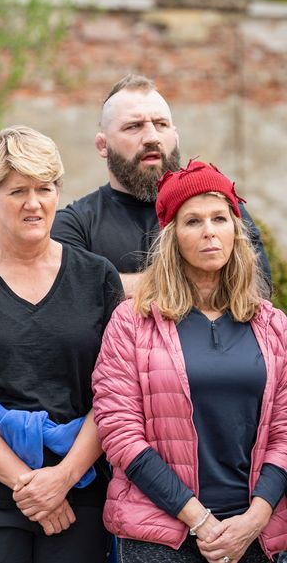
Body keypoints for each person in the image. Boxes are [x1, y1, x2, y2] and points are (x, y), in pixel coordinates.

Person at [0, 126, 122, 563]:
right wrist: (28, 485)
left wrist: (62, 480)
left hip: (81, 488)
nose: (33, 203)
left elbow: (114, 396)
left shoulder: (98, 276)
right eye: (17, 191)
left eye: (44, 189)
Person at [92, 161, 287, 563]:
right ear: (172, 237)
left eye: (219, 218)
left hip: (256, 536)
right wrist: (200, 520)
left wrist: (254, 518)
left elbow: (285, 432)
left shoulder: (272, 325)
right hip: (162, 537)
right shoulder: (132, 321)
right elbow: (119, 430)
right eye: (193, 221)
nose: (209, 231)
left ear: (236, 229)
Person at [52, 74, 270, 297]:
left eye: (161, 124)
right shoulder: (75, 225)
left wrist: (114, 283)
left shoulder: (220, 209)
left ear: (175, 137)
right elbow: (69, 294)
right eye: (133, 126)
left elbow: (255, 289)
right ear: (102, 145)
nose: (151, 137)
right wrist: (195, 280)